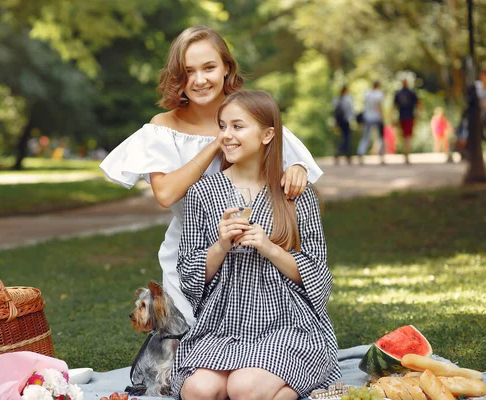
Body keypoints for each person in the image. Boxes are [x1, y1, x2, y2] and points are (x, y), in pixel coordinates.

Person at [99, 26, 323, 326]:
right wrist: (215, 143)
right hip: (192, 255)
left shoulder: (248, 113)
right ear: (179, 77)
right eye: (189, 71)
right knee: (192, 349)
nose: (200, 80)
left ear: (226, 68)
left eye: (209, 68)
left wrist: (297, 167)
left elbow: (285, 154)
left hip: (253, 257)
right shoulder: (162, 127)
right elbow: (165, 195)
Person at [172, 90, 340, 400]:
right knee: (198, 390)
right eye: (222, 126)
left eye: (238, 126)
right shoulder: (202, 193)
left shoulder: (294, 191)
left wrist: (269, 247)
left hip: (286, 325)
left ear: (267, 135)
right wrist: (220, 245)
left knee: (243, 387)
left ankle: (291, 388)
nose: (227, 135)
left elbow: (318, 275)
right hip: (223, 325)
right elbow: (189, 276)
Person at [357, 81, 385, 164]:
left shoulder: (367, 93)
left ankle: (361, 152)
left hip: (367, 117)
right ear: (378, 85)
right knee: (380, 137)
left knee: (366, 136)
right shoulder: (379, 94)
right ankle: (381, 155)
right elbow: (378, 105)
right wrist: (381, 116)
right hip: (376, 117)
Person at [393, 79, 419, 164]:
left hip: (402, 117)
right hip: (409, 117)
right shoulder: (411, 92)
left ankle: (406, 152)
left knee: (404, 136)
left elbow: (394, 106)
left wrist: (394, 117)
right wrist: (418, 114)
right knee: (408, 136)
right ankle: (407, 153)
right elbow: (418, 104)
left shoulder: (398, 93)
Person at [333, 85, 355, 165]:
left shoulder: (337, 99)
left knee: (343, 138)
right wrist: (352, 120)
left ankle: (342, 154)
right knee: (347, 138)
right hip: (345, 121)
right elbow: (350, 110)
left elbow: (334, 111)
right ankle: (344, 154)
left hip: (339, 122)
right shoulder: (347, 98)